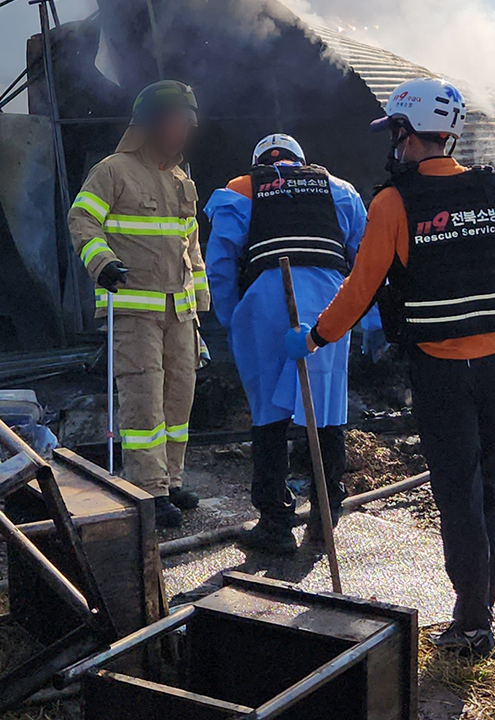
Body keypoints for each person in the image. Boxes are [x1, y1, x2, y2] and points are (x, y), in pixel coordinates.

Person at [284, 78, 495, 658]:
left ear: (407, 131)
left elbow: (360, 289)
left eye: (396, 133)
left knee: (458, 496)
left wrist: (316, 337)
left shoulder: (393, 202)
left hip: (444, 375)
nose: (394, 145)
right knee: (486, 491)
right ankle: (479, 609)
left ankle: (473, 623)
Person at [203, 133, 368, 555]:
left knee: (268, 412)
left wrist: (233, 317)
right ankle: (325, 517)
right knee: (328, 408)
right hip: (330, 298)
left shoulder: (241, 189)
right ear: (302, 161)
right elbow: (365, 256)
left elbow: (219, 262)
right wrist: (367, 317)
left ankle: (275, 524)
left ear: (260, 162)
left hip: (266, 298)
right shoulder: (339, 188)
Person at [68, 80, 209, 529]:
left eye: (186, 123)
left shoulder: (181, 180)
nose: (181, 131)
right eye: (174, 121)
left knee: (178, 399)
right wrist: (102, 263)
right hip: (133, 311)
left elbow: (192, 248)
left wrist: (200, 307)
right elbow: (81, 219)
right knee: (144, 401)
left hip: (179, 313)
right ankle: (148, 490)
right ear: (149, 124)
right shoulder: (114, 171)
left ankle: (170, 479)